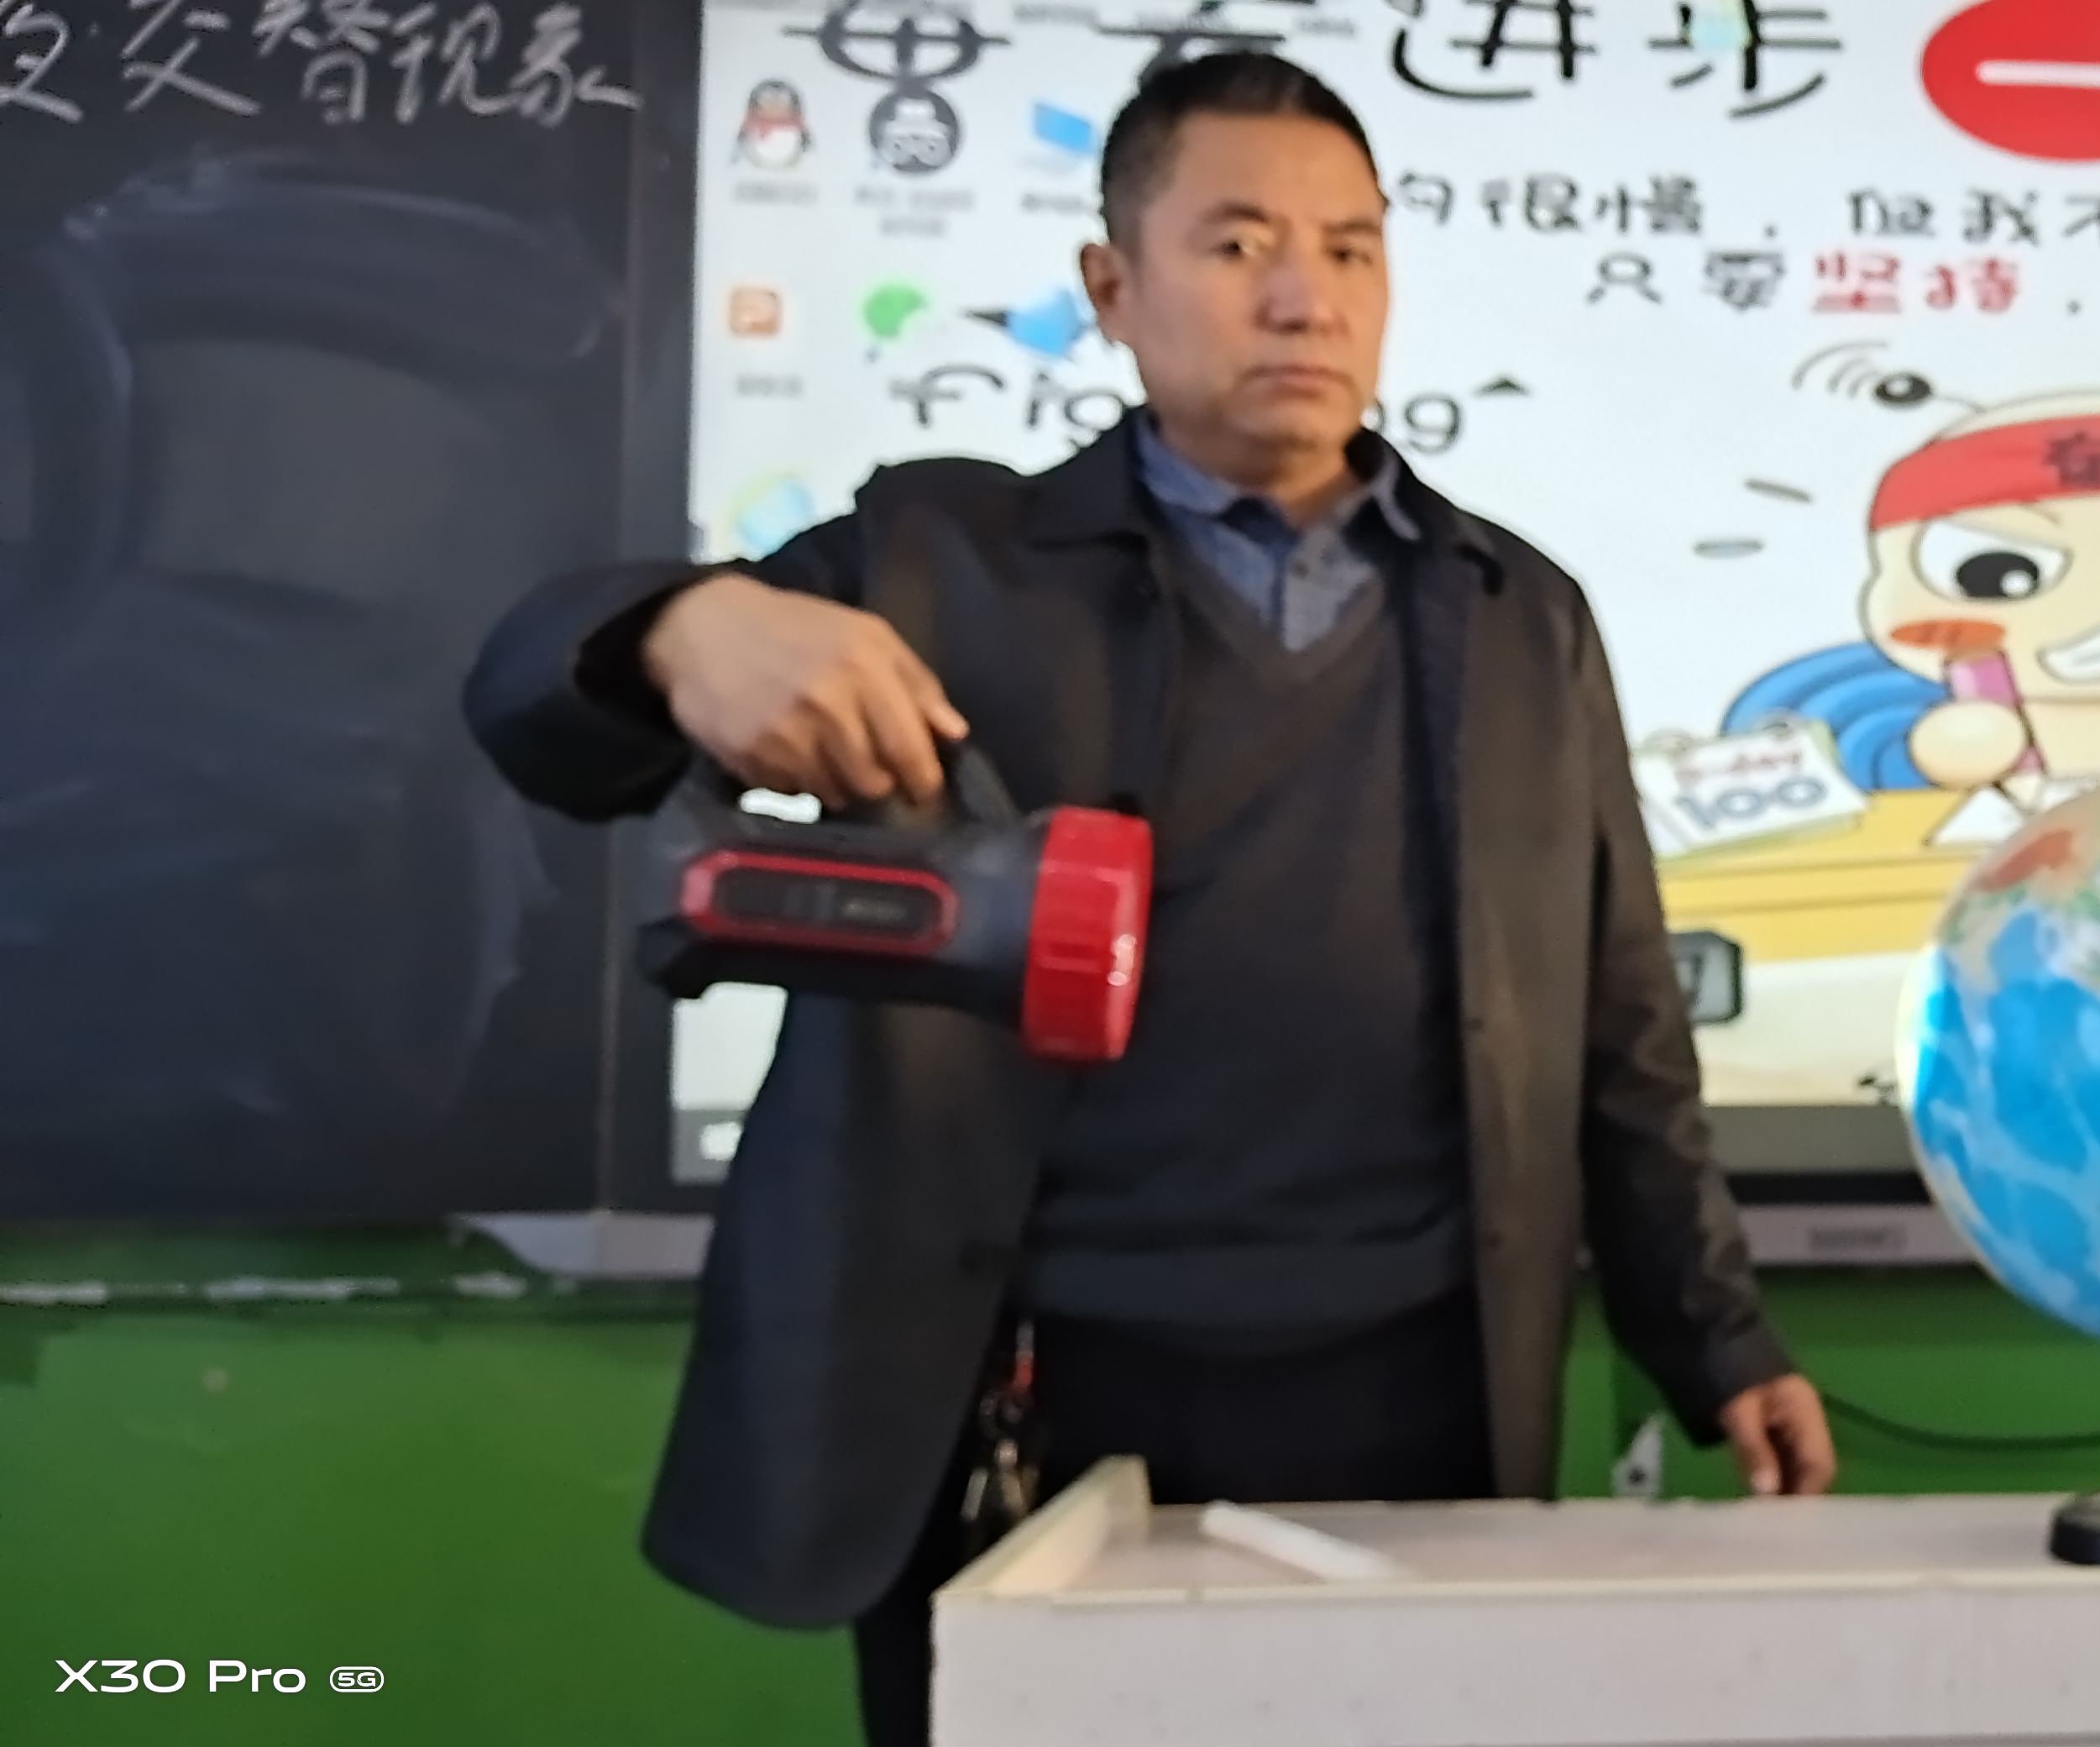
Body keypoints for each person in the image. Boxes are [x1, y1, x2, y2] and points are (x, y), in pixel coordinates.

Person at [459, 53, 1836, 1745]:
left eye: (1350, 249)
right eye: (1238, 242)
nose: (1304, 297)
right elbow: (531, 706)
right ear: (1111, 288)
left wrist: (1719, 1340)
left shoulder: (1515, 613)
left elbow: (1623, 1029)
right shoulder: (934, 563)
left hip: (1422, 1391)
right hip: (1026, 1396)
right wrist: (679, 625)